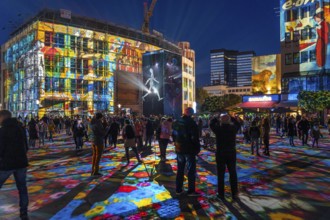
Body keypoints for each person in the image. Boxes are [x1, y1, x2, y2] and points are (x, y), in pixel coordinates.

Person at [0, 110, 29, 220]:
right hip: (21, 163)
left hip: (7, 164)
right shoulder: (20, 129)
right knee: (22, 188)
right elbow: (26, 146)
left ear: (3, 118)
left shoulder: (3, 131)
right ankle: (24, 212)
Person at [172, 107, 200, 196]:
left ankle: (178, 189)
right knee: (191, 170)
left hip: (179, 148)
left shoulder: (177, 122)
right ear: (191, 114)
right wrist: (197, 148)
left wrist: (176, 143)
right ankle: (191, 190)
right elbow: (195, 137)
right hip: (189, 149)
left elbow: (173, 134)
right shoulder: (191, 123)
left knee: (180, 169)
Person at [210, 114, 238, 200]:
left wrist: (216, 117)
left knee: (220, 174)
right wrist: (231, 116)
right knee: (232, 173)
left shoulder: (218, 129)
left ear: (221, 120)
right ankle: (234, 193)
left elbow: (211, 124)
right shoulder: (233, 128)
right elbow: (238, 124)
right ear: (229, 120)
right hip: (231, 152)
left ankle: (221, 193)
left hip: (221, 153)